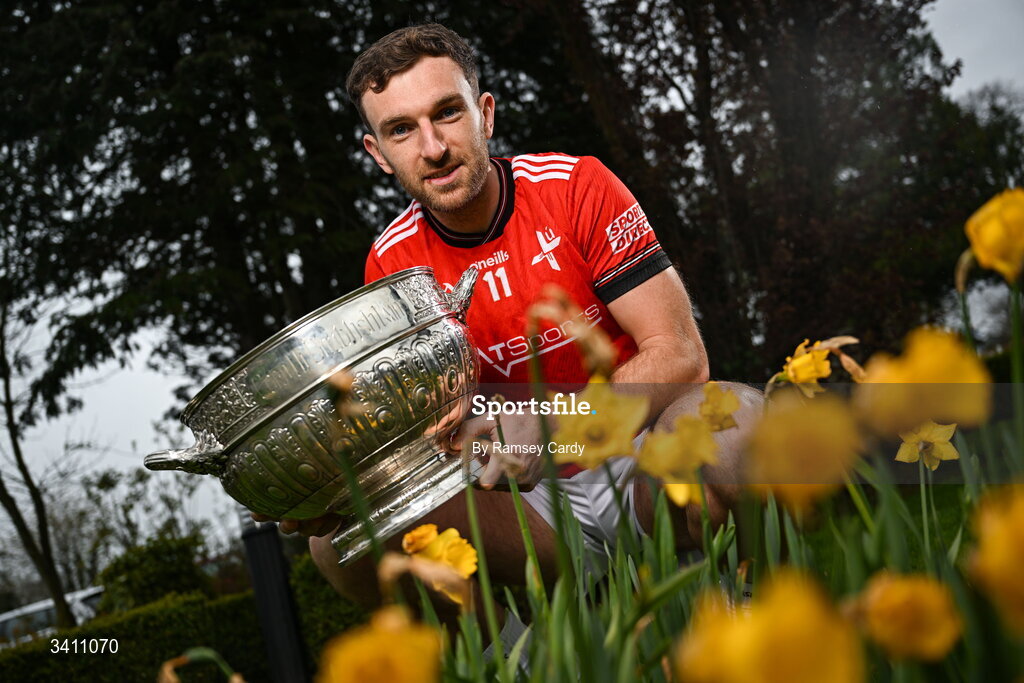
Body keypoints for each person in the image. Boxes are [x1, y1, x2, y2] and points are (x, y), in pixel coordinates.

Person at [291, 22, 760, 629]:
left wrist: (554, 425)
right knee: (340, 545)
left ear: (484, 113)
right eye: (402, 130)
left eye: (447, 113)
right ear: (378, 153)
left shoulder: (575, 187)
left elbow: (680, 354)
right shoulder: (389, 264)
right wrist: (331, 485)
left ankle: (758, 624)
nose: (432, 148)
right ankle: (519, 654)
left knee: (738, 426)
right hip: (528, 505)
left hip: (641, 457)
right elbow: (425, 437)